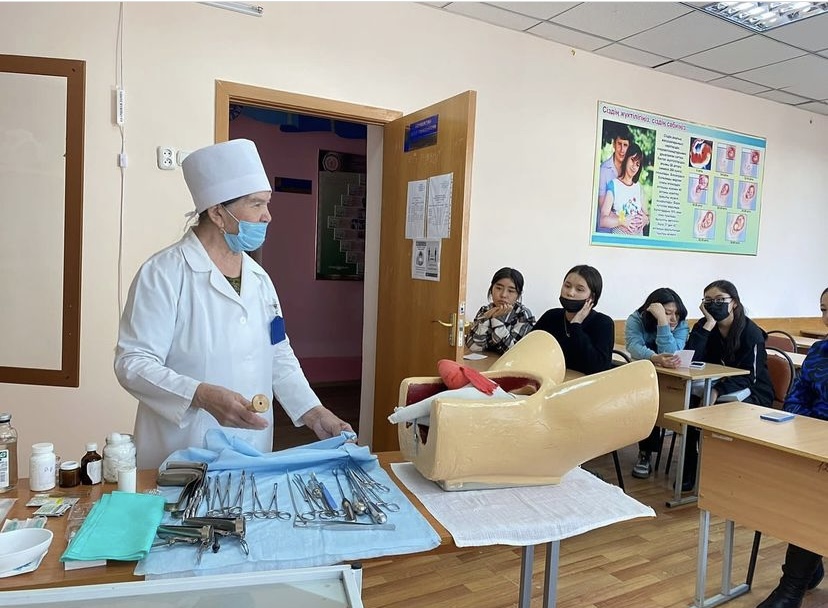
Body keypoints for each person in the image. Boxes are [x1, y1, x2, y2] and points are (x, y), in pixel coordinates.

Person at [114, 139, 353, 469]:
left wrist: (313, 413)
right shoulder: (164, 273)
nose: (268, 216)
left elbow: (278, 352)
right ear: (217, 212)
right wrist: (201, 395)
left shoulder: (260, 280)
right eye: (256, 205)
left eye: (266, 204)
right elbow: (133, 363)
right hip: (183, 448)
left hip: (252, 447)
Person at [756, 288, 828, 608]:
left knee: (817, 500)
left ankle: (792, 589)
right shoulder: (819, 353)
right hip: (816, 445)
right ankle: (809, 560)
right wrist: (813, 432)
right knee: (802, 493)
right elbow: (797, 399)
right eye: (824, 309)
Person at [680, 280, 773, 490]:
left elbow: (751, 376)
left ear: (735, 304)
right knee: (689, 411)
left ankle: (724, 472)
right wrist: (709, 324)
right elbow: (690, 358)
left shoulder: (751, 333)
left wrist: (717, 390)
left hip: (753, 392)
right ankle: (689, 469)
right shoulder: (704, 326)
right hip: (714, 386)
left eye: (720, 300)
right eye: (709, 301)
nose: (714, 304)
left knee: (719, 412)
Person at [625, 288, 689, 479]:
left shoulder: (681, 324)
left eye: (676, 313)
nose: (673, 319)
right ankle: (645, 454)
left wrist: (663, 323)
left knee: (664, 401)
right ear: (651, 312)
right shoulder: (636, 319)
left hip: (672, 378)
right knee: (648, 404)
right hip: (643, 375)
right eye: (666, 313)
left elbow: (671, 351)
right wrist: (655, 357)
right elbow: (633, 347)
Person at [534, 265, 614, 375]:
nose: (570, 293)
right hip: (550, 381)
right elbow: (527, 348)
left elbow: (598, 368)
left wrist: (576, 325)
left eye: (579, 289)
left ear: (592, 298)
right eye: (567, 286)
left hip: (584, 387)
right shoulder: (551, 316)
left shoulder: (603, 323)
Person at [465, 267, 535, 354]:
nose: (503, 295)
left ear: (518, 295)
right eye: (498, 288)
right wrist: (485, 319)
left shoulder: (523, 315)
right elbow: (473, 347)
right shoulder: (485, 310)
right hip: (485, 364)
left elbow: (512, 352)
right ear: (491, 289)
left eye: (511, 291)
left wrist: (497, 321)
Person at [599, 143, 649, 236]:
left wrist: (646, 220)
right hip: (619, 245)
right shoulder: (614, 185)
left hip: (638, 244)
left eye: (637, 164)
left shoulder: (639, 188)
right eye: (632, 160)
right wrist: (622, 221)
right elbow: (603, 220)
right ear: (626, 158)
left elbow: (648, 215)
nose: (634, 166)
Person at [596, 123, 632, 232]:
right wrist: (624, 220)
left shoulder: (630, 170)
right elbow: (603, 208)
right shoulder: (603, 170)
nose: (622, 149)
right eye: (619, 144)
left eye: (625, 145)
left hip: (624, 232)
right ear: (614, 145)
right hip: (606, 232)